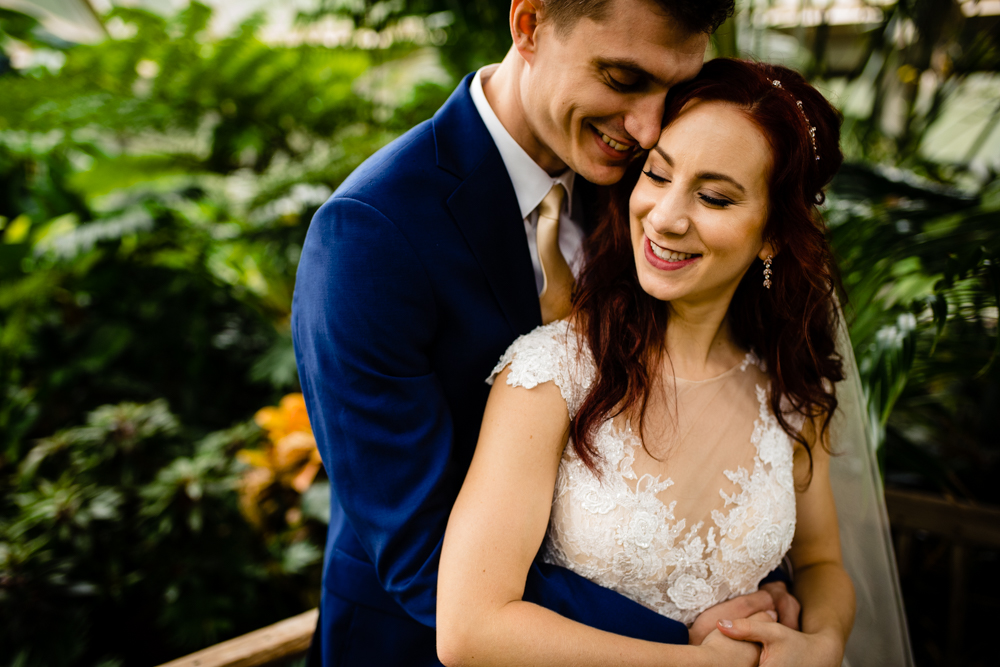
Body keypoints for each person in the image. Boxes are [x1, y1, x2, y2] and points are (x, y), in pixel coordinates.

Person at [292, 1, 800, 666]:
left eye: (671, 89)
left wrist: (752, 584)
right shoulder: (370, 231)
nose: (649, 125)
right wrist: (692, 632)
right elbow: (423, 552)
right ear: (529, 24)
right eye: (622, 78)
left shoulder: (648, 188)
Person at [437, 58, 912, 666]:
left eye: (714, 196)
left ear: (771, 233)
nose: (665, 218)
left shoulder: (790, 391)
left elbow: (822, 564)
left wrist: (821, 642)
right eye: (658, 176)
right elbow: (469, 628)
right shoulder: (551, 374)